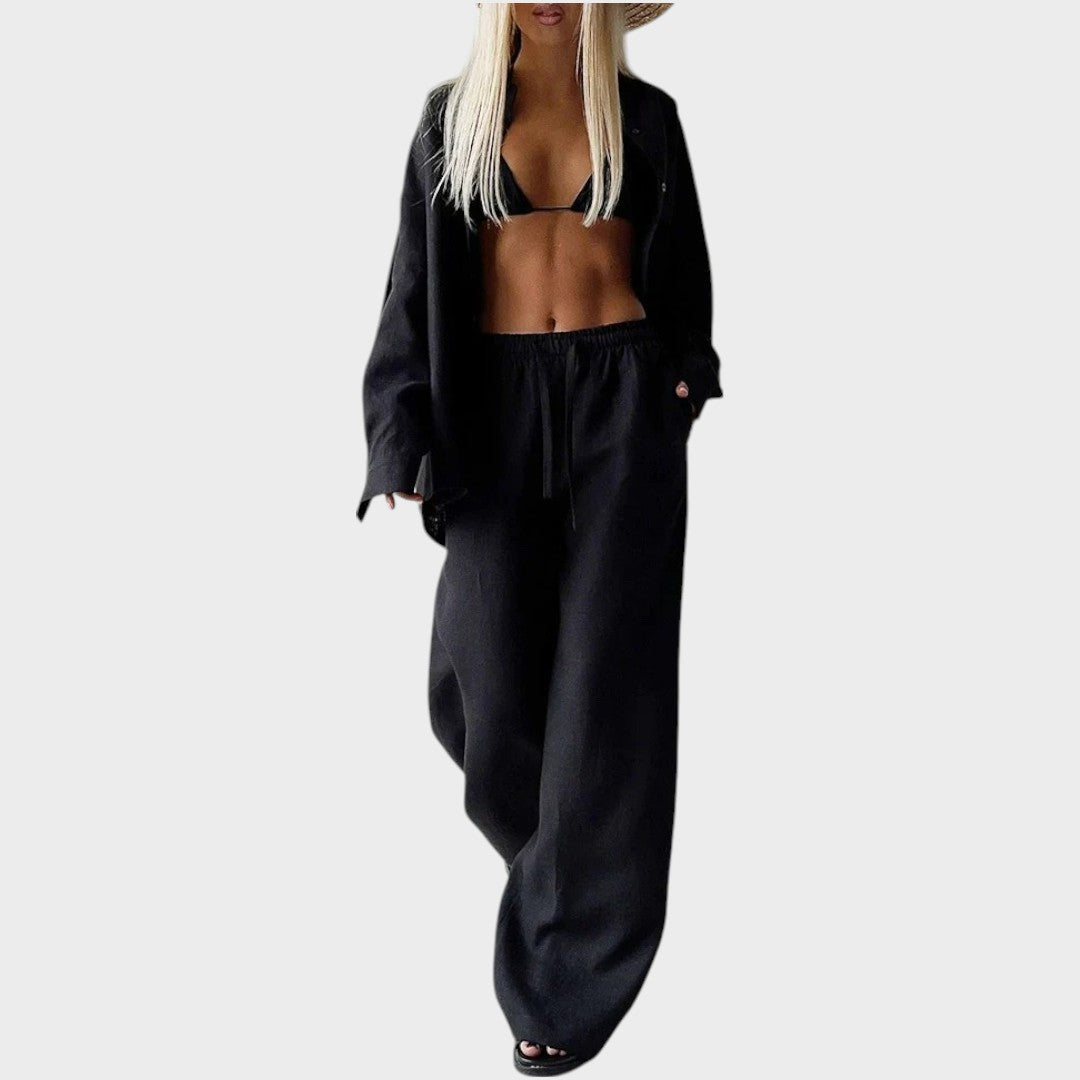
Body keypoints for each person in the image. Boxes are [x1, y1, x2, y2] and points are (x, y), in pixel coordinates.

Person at [356, 4, 722, 1073]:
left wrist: (682, 380)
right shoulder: (450, 122)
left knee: (611, 688)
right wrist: (399, 437)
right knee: (481, 684)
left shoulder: (646, 119)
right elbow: (411, 288)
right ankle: (581, 866)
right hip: (494, 411)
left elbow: (685, 271)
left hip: (623, 402)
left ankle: (563, 980)